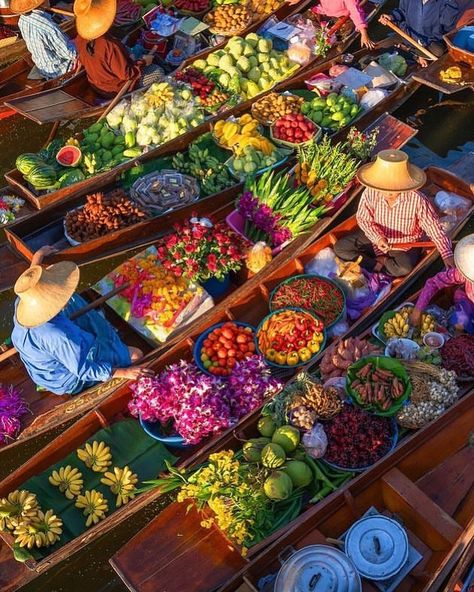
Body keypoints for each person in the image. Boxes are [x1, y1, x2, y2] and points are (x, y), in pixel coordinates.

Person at [11, 246, 153, 396]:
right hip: (69, 377)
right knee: (136, 355)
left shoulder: (23, 303)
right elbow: (83, 369)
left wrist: (38, 257)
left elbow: (33, 285)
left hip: (44, 362)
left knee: (73, 300)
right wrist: (124, 372)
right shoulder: (58, 336)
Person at [333, 150, 454, 277]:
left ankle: (383, 261)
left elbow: (433, 228)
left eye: (393, 188)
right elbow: (364, 219)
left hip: (404, 245)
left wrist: (447, 254)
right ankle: (376, 265)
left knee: (403, 269)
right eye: (383, 187)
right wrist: (378, 237)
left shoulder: (417, 199)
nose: (387, 192)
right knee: (340, 248)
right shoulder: (370, 191)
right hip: (376, 239)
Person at [73, 0, 162, 98]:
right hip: (115, 89)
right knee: (158, 71)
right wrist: (144, 62)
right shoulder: (110, 45)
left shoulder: (79, 38)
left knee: (133, 51)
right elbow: (127, 74)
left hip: (97, 85)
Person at [411, 234, 474, 334]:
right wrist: (418, 309)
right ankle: (457, 335)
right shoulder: (463, 274)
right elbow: (433, 283)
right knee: (461, 320)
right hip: (467, 299)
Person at [11, 0, 77, 80]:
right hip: (58, 70)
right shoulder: (48, 28)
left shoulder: (22, 20)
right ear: (41, 3)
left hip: (42, 65)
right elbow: (70, 54)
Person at [379, 0, 460, 61]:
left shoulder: (446, 4)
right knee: (382, 47)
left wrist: (451, 6)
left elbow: (447, 25)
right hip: (408, 35)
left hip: (429, 41)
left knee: (439, 52)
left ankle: (413, 53)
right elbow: (401, 11)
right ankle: (413, 52)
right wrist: (391, 16)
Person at [286, 0, 374, 48]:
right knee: (302, 18)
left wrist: (363, 32)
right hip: (324, 10)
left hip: (344, 16)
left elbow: (355, 11)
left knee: (339, 36)